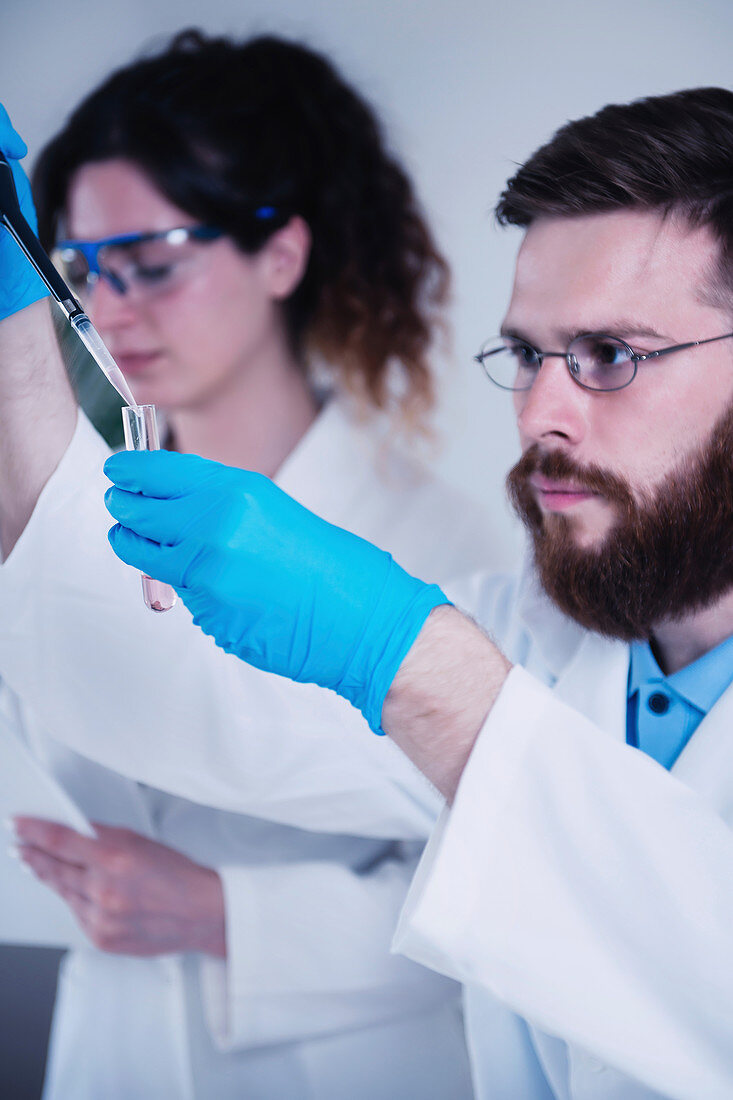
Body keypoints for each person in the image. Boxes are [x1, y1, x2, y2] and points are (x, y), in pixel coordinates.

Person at [97, 86, 733, 1100]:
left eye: (609, 356)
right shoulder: (536, 627)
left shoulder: (474, 628)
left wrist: (413, 658)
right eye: (526, 355)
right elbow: (207, 723)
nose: (538, 413)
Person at [0, 30, 496, 1100]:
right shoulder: (71, 504)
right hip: (110, 1049)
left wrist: (230, 916)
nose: (112, 304)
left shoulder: (451, 542)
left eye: (152, 260)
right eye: (81, 269)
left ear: (280, 253)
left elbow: (514, 873)